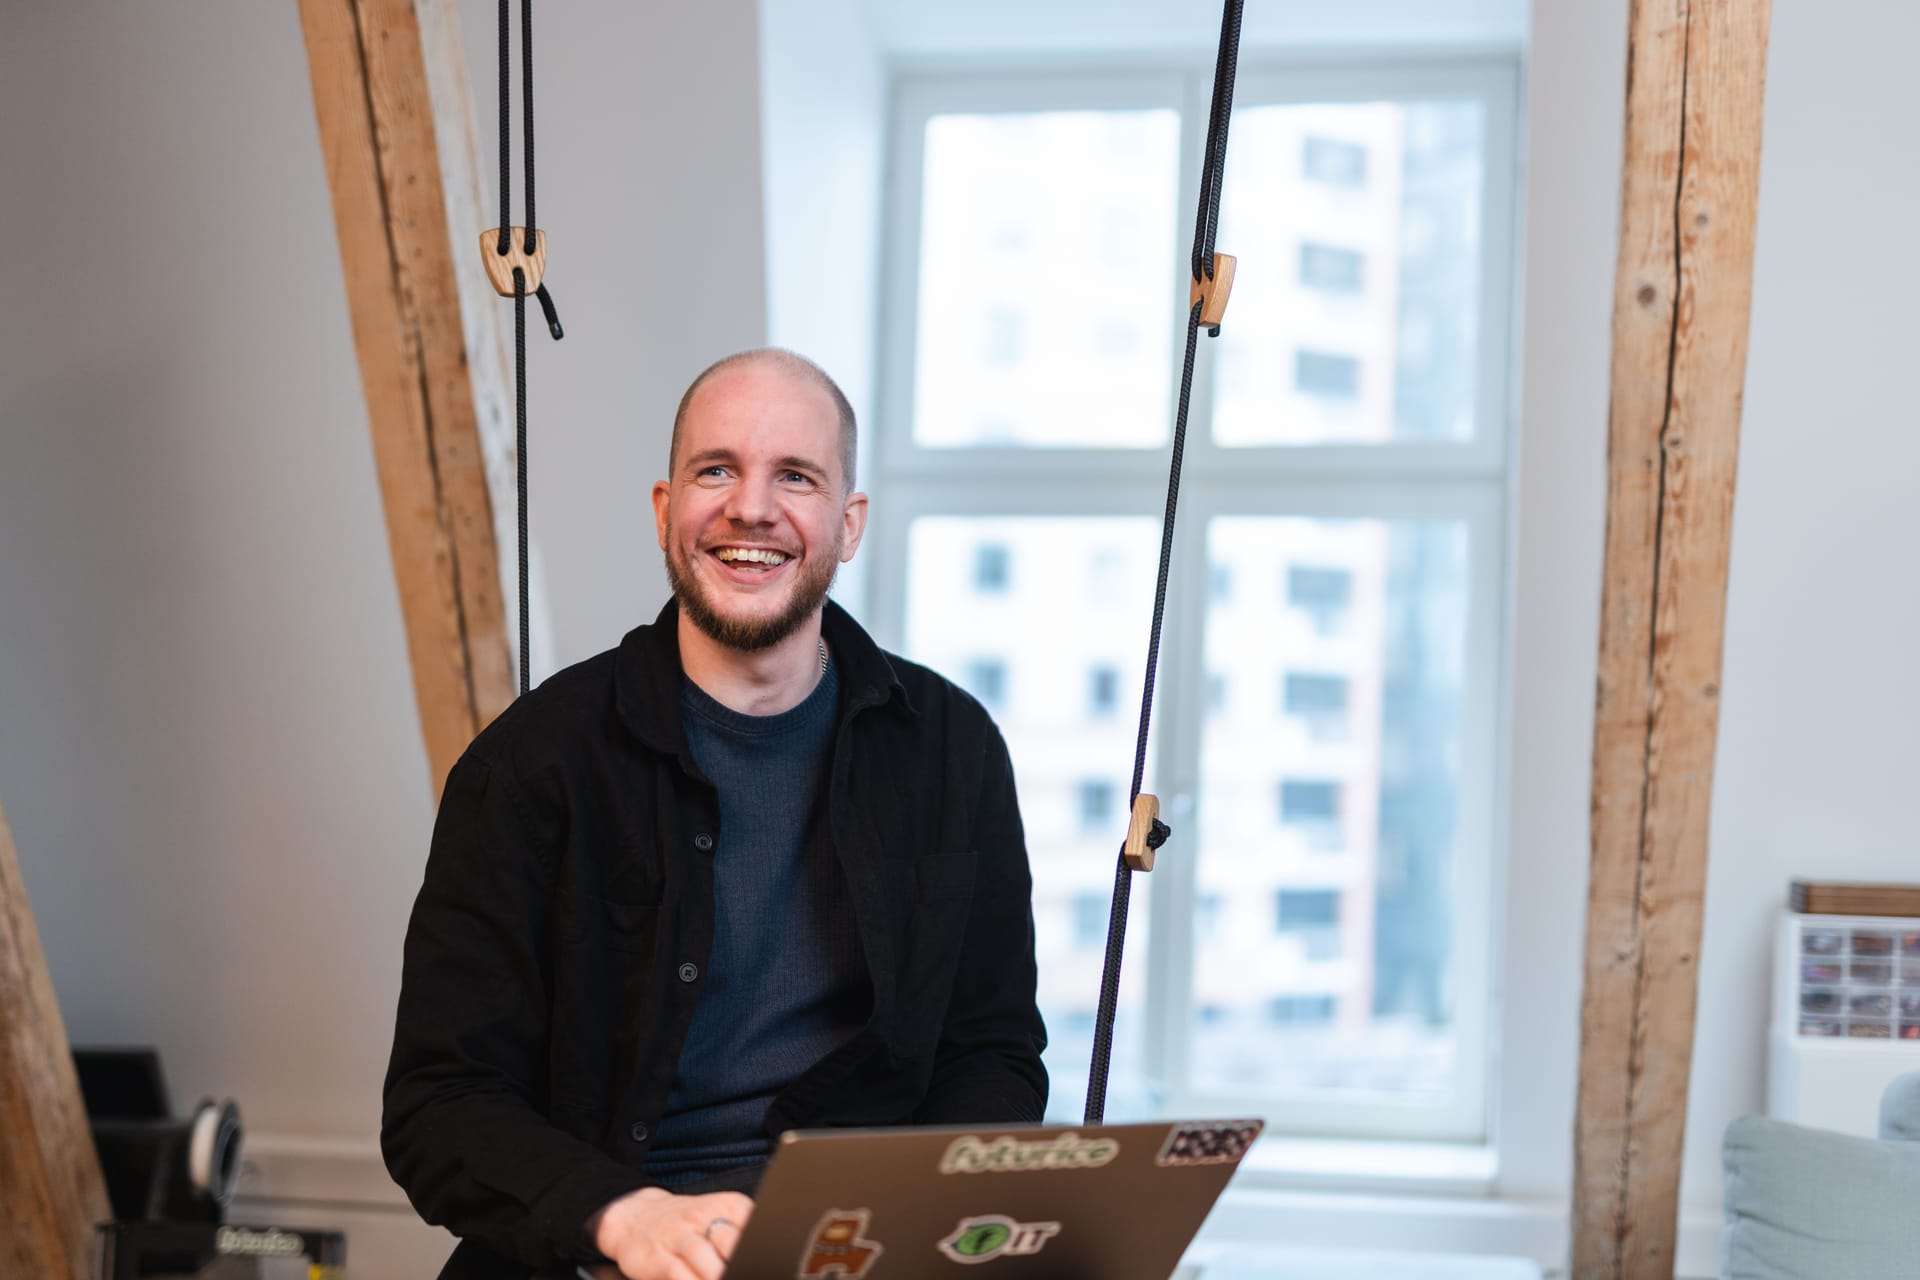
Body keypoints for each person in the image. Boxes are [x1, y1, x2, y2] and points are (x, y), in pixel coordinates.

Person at [381, 349, 1048, 1280]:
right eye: (716, 470)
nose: (752, 508)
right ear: (666, 511)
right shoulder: (531, 765)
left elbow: (993, 1052)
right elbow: (439, 1105)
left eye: (797, 478)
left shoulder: (952, 748)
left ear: (847, 525)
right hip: (607, 1249)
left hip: (850, 1248)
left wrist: (912, 1229)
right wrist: (621, 1216)